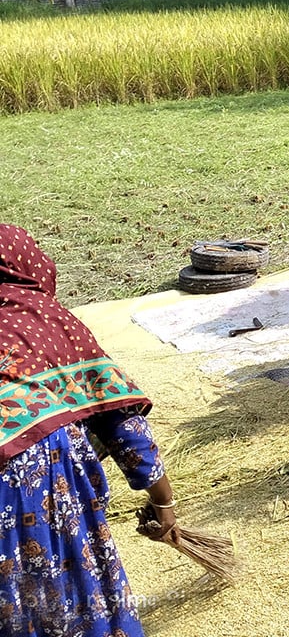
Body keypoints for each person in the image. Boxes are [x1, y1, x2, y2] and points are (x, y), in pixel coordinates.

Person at [0, 224, 176, 637]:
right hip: (35, 471)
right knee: (72, 594)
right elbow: (124, 427)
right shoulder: (50, 322)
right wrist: (163, 502)